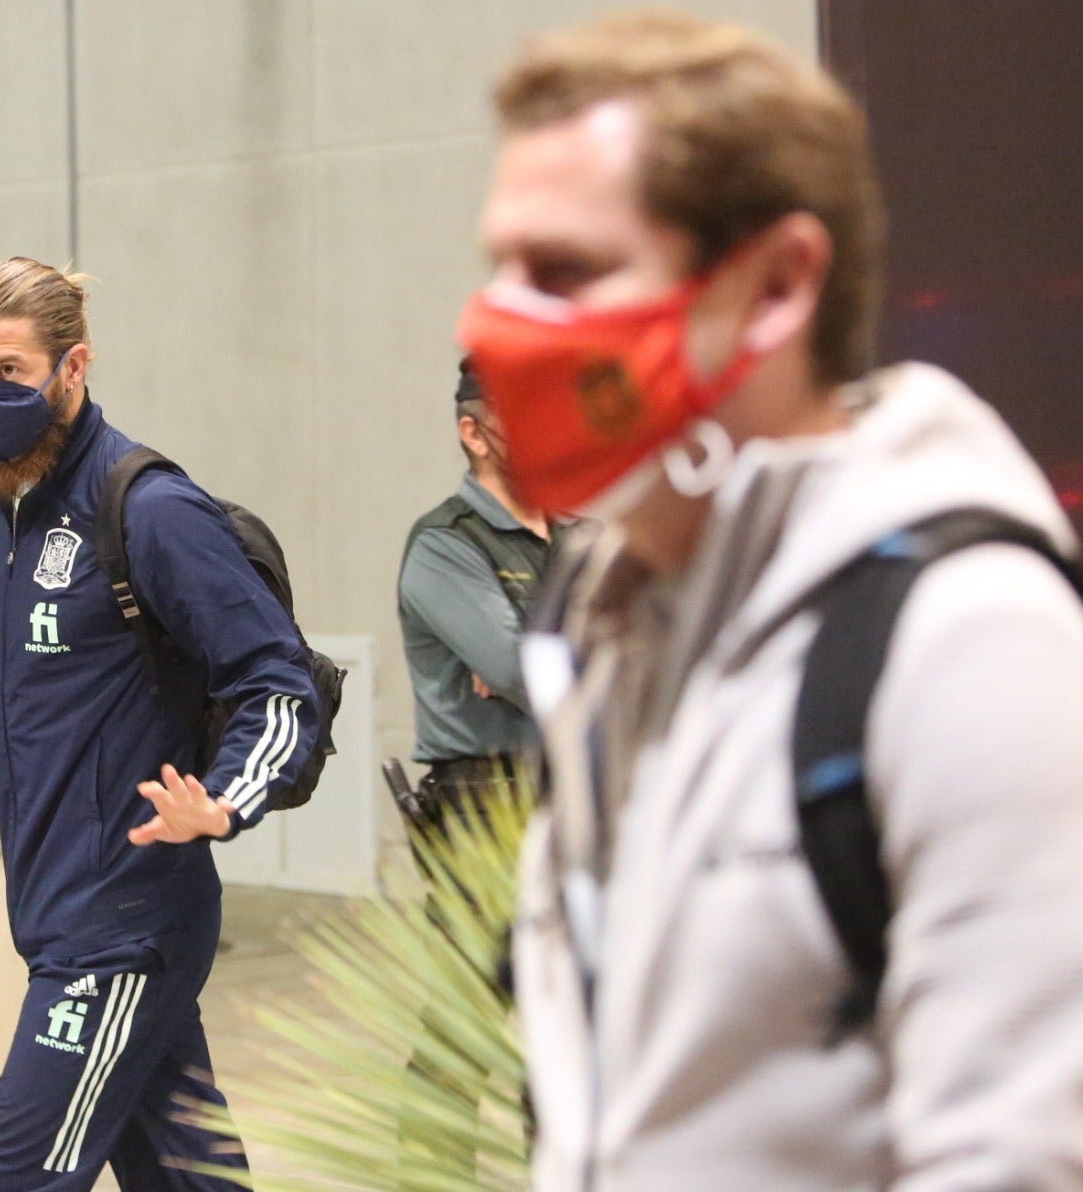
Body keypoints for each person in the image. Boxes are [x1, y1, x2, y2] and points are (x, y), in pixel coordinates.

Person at [459, 12, 1083, 1190]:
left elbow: (1013, 1161)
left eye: (564, 272)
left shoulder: (965, 635)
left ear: (777, 284)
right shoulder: (602, 632)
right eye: (499, 268)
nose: (498, 324)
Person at [0, 257, 320, 1191]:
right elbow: (9, 711)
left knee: (8, 1179)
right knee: (189, 1181)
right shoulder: (0, 519)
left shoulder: (147, 507)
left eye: (9, 372)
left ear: (74, 366)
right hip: (62, 914)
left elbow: (277, 681)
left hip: (123, 923)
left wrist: (222, 803)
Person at [397, 357, 557, 823]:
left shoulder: (580, 536)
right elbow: (514, 670)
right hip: (486, 804)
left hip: (575, 787)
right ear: (474, 433)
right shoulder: (445, 543)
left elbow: (650, 644)